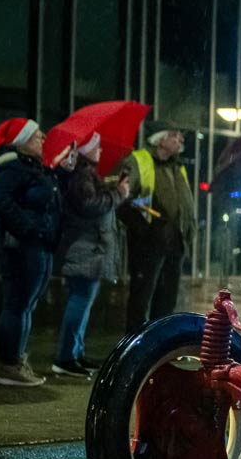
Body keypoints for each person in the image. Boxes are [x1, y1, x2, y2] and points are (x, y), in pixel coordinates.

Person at [0, 118, 62, 387]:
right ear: (22, 141)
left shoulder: (31, 167)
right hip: (22, 248)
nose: (43, 140)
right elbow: (1, 201)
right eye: (37, 136)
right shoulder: (11, 168)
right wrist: (29, 229)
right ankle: (9, 364)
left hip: (37, 246)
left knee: (26, 306)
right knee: (17, 305)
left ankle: (17, 359)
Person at [52, 132, 130, 376]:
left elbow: (92, 199)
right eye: (96, 146)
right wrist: (118, 193)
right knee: (80, 302)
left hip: (89, 251)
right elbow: (90, 205)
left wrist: (113, 189)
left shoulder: (85, 175)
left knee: (83, 304)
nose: (100, 150)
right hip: (85, 250)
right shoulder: (82, 176)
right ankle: (66, 358)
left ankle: (75, 353)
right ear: (85, 150)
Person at [117, 120, 195, 333]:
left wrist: (188, 234)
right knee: (141, 299)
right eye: (174, 135)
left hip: (175, 242)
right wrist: (144, 231)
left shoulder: (177, 167)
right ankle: (135, 349)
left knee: (167, 300)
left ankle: (159, 347)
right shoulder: (138, 161)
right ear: (160, 139)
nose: (180, 140)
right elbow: (122, 202)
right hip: (148, 244)